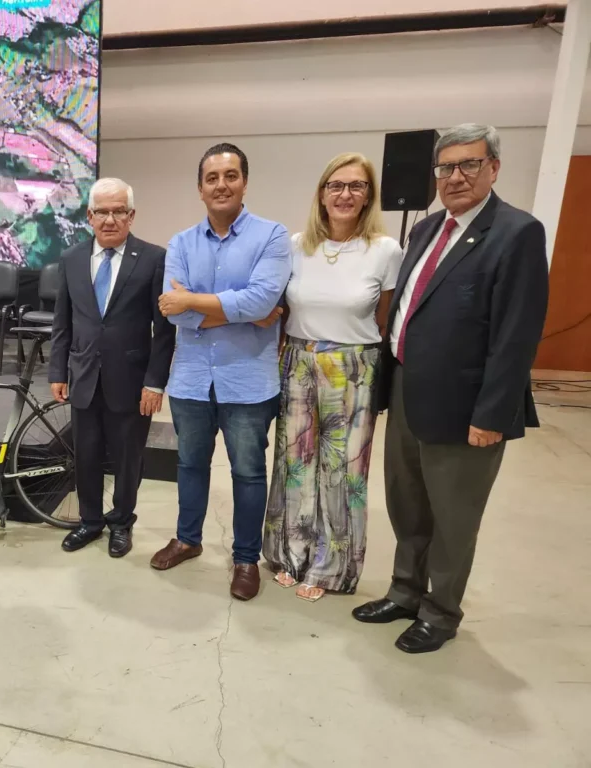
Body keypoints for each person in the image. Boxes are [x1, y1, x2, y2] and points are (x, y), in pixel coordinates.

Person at [353, 124, 549, 653]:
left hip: (467, 409)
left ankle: (440, 614)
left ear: (494, 168)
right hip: (408, 394)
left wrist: (492, 414)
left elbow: (516, 337)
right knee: (408, 505)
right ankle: (405, 592)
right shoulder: (425, 229)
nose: (455, 176)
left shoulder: (516, 233)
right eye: (446, 167)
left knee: (454, 518)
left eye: (468, 164)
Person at [262, 153, 403, 603]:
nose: (345, 194)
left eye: (356, 186)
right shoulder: (295, 244)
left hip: (353, 369)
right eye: (336, 185)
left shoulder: (384, 250)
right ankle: (290, 555)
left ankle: (332, 567)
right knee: (294, 465)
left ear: (368, 196)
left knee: (343, 472)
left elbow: (386, 320)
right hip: (298, 362)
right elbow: (282, 311)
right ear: (321, 193)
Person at [153, 143, 290, 600]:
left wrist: (193, 300)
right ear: (200, 188)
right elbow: (173, 315)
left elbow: (261, 301)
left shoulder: (272, 236)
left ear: (244, 182)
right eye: (212, 178)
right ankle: (188, 538)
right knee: (190, 464)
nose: (221, 185)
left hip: (248, 382)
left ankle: (246, 558)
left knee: (248, 473)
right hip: (191, 378)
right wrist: (243, 311)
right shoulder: (181, 242)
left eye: (230, 176)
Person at [49, 178, 176, 557]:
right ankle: (89, 521)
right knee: (84, 454)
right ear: (89, 215)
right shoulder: (71, 259)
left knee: (127, 457)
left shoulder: (154, 259)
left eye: (119, 211)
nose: (110, 219)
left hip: (132, 381)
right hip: (84, 377)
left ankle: (121, 522)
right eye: (102, 211)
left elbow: (164, 330)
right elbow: (63, 322)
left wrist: (155, 382)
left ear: (131, 216)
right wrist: (58, 371)